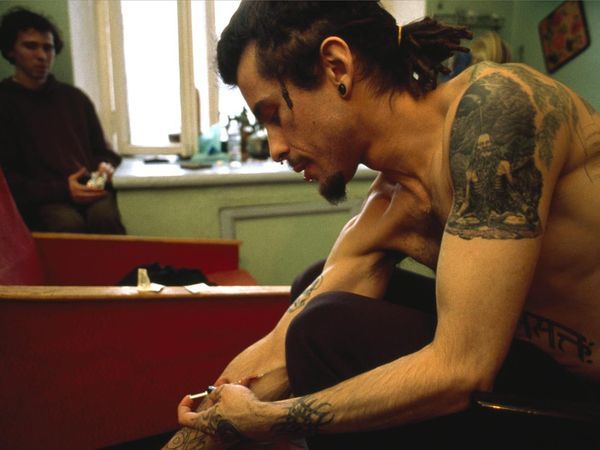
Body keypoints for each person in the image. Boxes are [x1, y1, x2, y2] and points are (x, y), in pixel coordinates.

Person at [164, 1, 599, 448]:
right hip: (530, 369)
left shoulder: (497, 114)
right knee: (314, 295)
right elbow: (277, 351)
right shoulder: (391, 205)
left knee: (326, 327)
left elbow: (464, 369)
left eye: (274, 114)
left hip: (585, 403)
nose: (275, 148)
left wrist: (269, 420)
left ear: (336, 67)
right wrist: (199, 431)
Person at [0, 7, 125, 234]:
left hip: (90, 189)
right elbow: (8, 179)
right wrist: (63, 190)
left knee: (105, 218)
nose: (42, 55)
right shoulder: (5, 102)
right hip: (43, 199)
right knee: (67, 224)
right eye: (31, 46)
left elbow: (104, 152)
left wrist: (105, 166)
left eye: (48, 48)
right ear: (10, 51)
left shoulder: (75, 98)